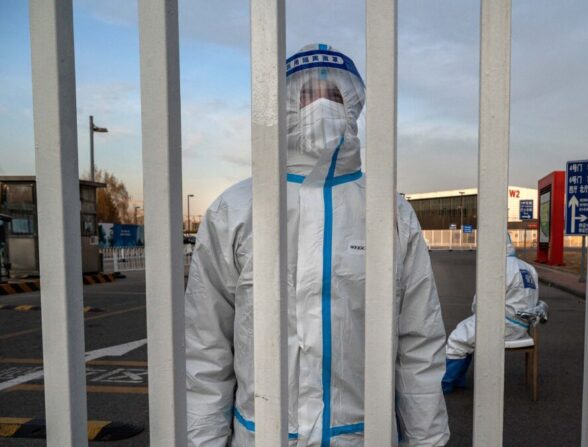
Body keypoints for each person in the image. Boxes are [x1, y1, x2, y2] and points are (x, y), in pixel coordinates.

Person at [184, 44, 449, 447]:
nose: (321, 105)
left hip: (364, 436)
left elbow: (419, 341)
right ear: (284, 104)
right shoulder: (235, 210)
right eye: (307, 94)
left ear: (353, 106)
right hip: (263, 435)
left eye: (335, 95)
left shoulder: (388, 212)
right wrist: (204, 439)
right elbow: (206, 342)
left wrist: (426, 439)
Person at [442, 235, 548, 393]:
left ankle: (446, 384)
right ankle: (457, 380)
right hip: (523, 327)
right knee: (464, 332)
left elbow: (482, 303)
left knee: (457, 340)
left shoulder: (499, 267)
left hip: (500, 325)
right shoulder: (528, 268)